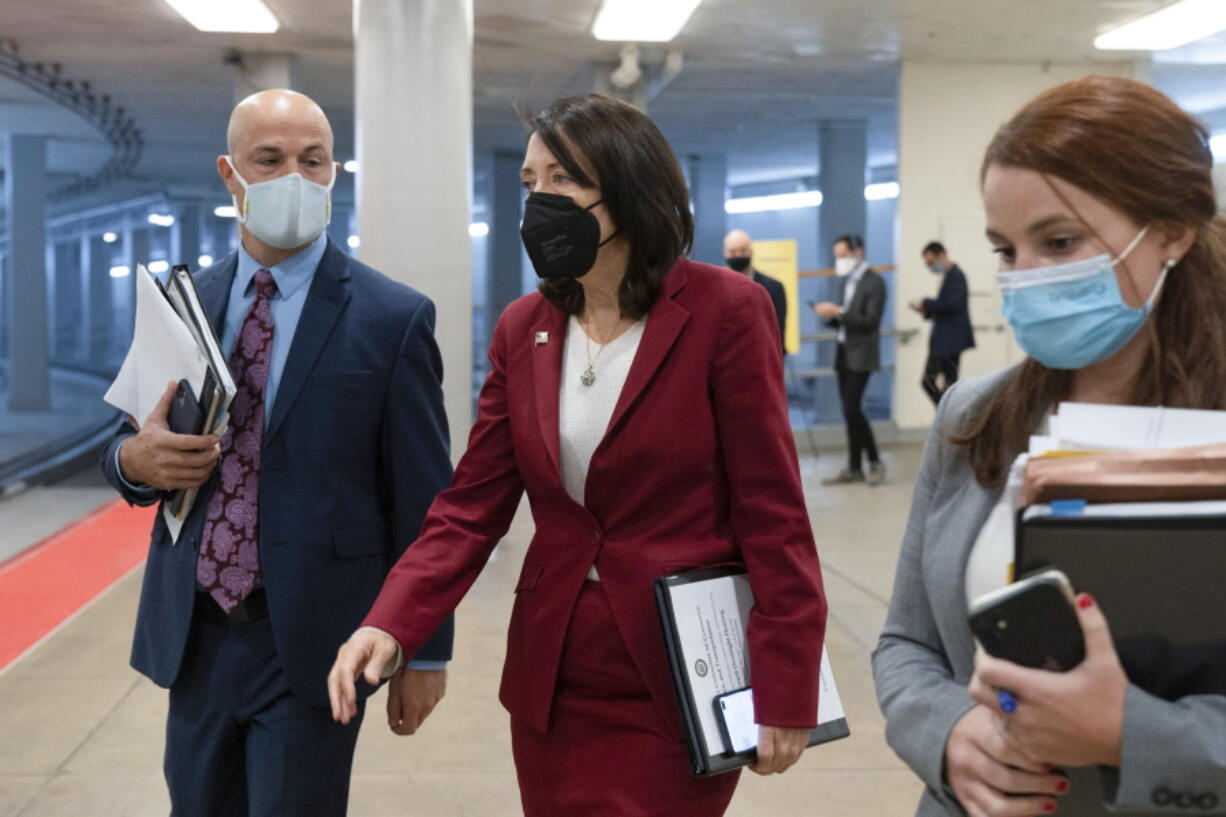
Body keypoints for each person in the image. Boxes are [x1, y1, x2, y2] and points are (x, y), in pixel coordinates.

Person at [327, 93, 827, 816]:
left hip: (678, 675)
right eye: (529, 182)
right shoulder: (523, 327)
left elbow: (772, 511)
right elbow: (471, 507)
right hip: (553, 672)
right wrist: (392, 620)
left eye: (562, 179)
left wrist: (787, 680)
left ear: (627, 187)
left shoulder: (726, 310)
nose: (538, 200)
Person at [873, 76, 1226, 817]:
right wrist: (950, 733)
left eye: (1059, 241)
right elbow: (906, 642)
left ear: (1172, 230)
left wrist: (1131, 732)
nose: (1023, 279)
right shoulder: (974, 416)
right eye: (1005, 248)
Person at [99, 89, 454, 817]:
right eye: (270, 160)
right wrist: (137, 462)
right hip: (194, 638)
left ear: (332, 174)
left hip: (314, 640)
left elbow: (426, 503)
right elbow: (125, 446)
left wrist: (425, 647)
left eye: (312, 160)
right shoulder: (182, 302)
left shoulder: (392, 318)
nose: (295, 175)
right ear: (230, 176)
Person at [811, 234, 886, 486]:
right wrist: (828, 314)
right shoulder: (845, 282)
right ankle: (854, 467)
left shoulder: (874, 282)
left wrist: (840, 312)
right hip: (843, 351)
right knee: (848, 411)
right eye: (837, 256)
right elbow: (845, 319)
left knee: (853, 408)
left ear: (858, 252)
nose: (839, 260)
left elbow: (870, 321)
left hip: (862, 354)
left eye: (843, 255)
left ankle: (874, 461)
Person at [909, 241, 975, 405]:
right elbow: (946, 308)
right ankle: (947, 418)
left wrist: (925, 302)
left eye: (931, 262)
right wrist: (927, 312)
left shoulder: (956, 276)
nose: (929, 266)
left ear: (942, 255)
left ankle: (946, 416)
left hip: (949, 341)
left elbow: (952, 304)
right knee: (948, 385)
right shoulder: (948, 276)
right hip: (945, 339)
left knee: (932, 382)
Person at [724, 228, 788, 354]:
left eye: (742, 250)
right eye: (732, 252)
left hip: (763, 359)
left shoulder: (773, 287)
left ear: (751, 251)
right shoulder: (715, 289)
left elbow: (778, 331)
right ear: (725, 253)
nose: (737, 256)